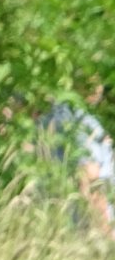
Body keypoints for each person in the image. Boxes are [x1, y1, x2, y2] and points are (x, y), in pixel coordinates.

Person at [41, 81, 115, 241]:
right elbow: (90, 182)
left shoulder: (48, 119)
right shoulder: (80, 122)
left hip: (57, 233)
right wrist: (107, 237)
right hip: (93, 236)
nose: (99, 85)